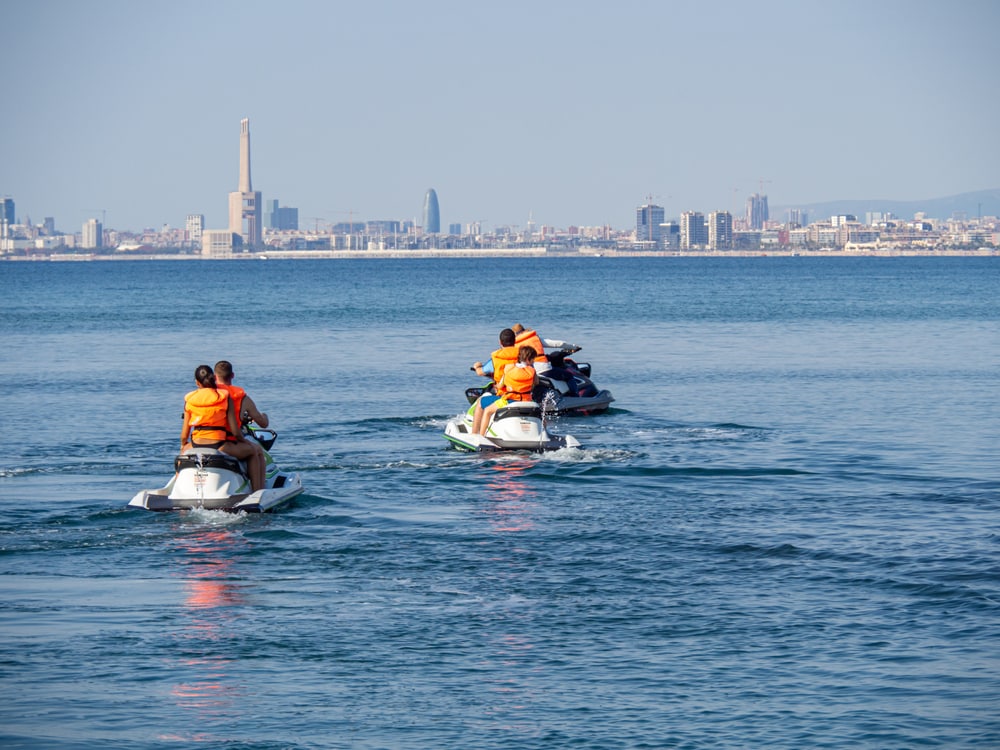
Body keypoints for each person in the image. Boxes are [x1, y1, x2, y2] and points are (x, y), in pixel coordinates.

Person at [180, 364, 265, 492]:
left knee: (182, 457)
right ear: (213, 378)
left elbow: (184, 435)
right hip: (218, 445)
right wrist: (244, 441)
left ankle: (177, 489)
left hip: (196, 444)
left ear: (197, 382)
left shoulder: (189, 400)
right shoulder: (224, 397)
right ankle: (257, 492)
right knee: (253, 452)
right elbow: (235, 432)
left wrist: (183, 445)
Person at [472, 346, 538, 435]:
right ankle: (544, 432)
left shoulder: (508, 369)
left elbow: (500, 386)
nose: (533, 361)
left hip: (509, 401)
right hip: (527, 400)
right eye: (533, 359)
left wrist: (496, 385)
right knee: (540, 414)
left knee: (487, 411)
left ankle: (481, 435)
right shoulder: (532, 371)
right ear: (529, 360)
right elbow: (536, 382)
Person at [214, 360, 269, 429]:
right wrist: (264, 415)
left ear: (214, 377)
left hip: (207, 436)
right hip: (232, 436)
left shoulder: (206, 395)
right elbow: (263, 424)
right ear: (232, 375)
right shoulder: (243, 399)